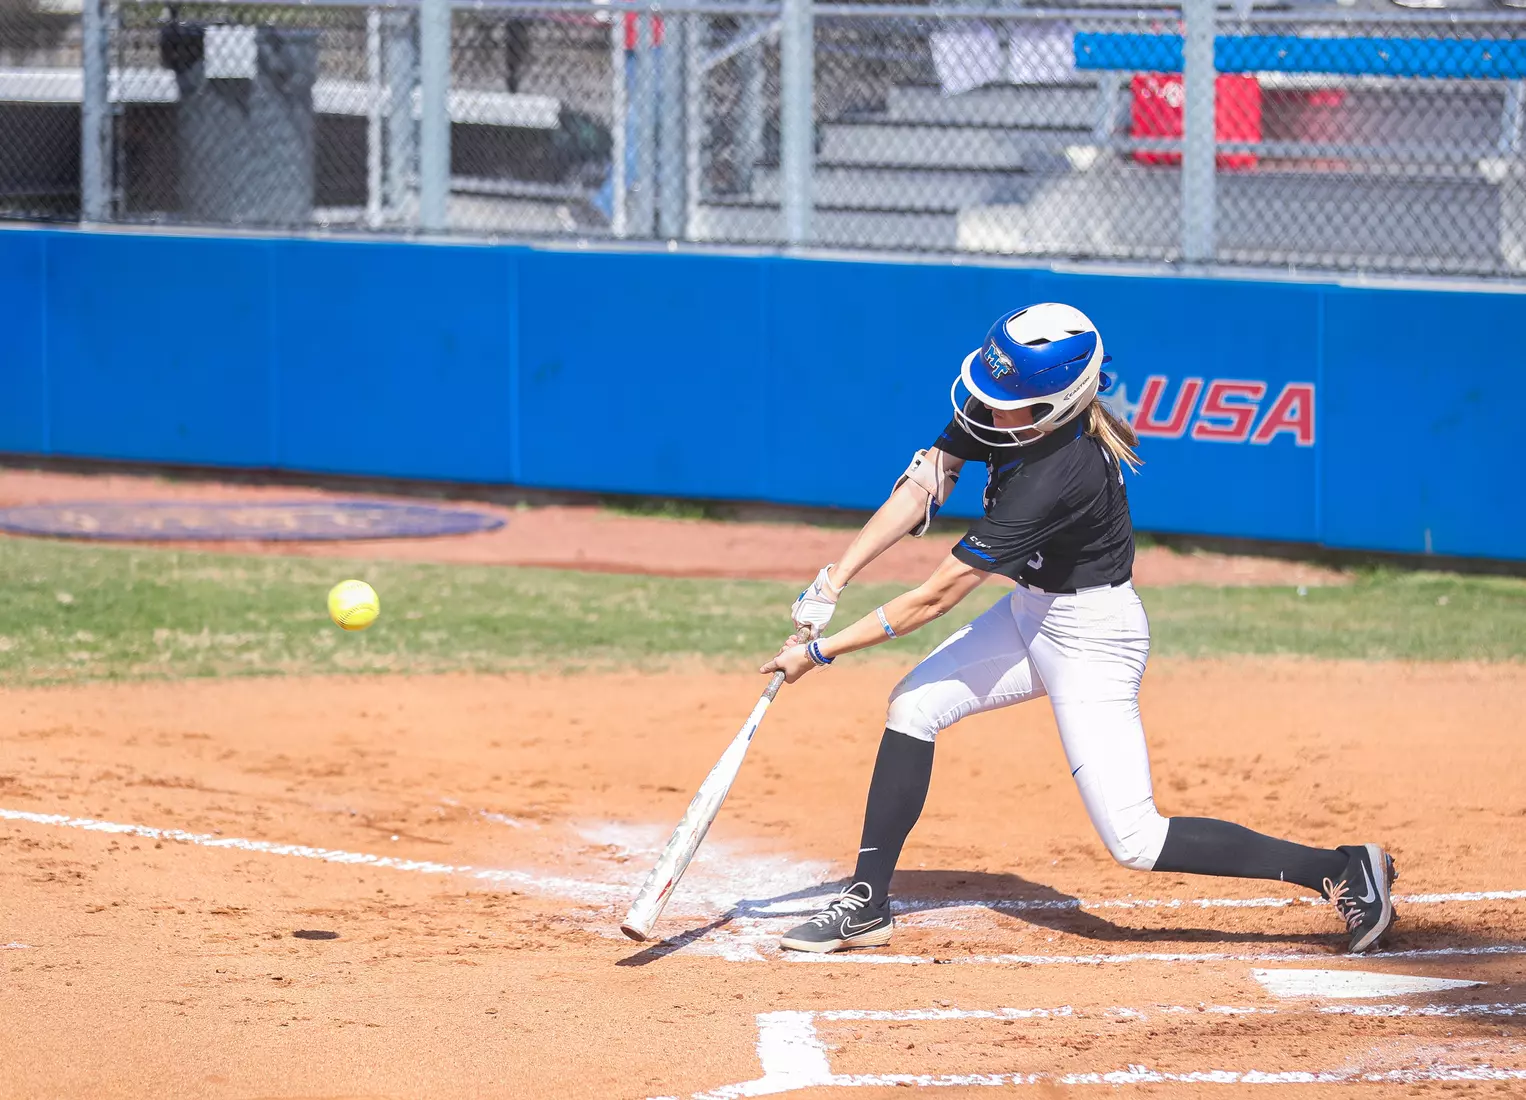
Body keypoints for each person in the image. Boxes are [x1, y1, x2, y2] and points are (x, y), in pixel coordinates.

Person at [760, 302, 1397, 956]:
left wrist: (821, 650)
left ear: (1057, 406)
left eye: (1009, 399)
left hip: (1093, 639)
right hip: (1030, 614)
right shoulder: (1012, 413)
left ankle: (1342, 868)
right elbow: (925, 484)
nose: (990, 407)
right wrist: (832, 581)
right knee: (914, 706)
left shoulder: (1058, 476)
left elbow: (934, 597)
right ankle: (867, 904)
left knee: (1135, 840)